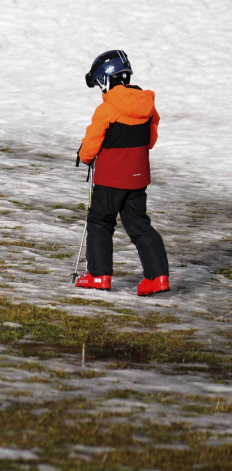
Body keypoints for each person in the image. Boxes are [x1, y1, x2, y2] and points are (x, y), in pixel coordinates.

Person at [76, 50, 170, 296]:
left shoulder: (107, 109)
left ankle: (98, 275)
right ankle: (157, 276)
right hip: (138, 178)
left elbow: (92, 144)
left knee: (100, 221)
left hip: (110, 179)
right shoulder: (147, 106)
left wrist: (84, 156)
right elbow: (150, 140)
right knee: (139, 224)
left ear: (106, 80)